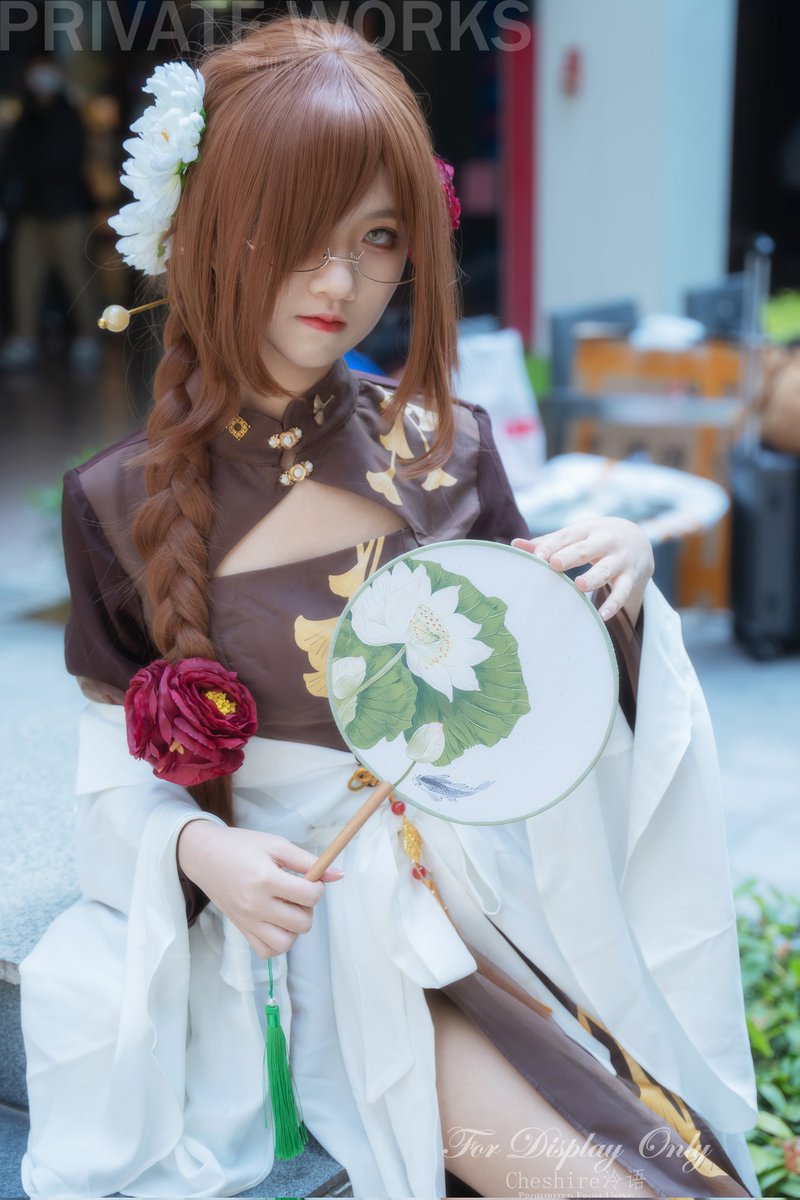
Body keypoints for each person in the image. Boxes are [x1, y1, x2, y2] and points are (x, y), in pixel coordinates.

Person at [18, 14, 759, 1200]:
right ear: (202, 225)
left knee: (676, 1168)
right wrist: (203, 848)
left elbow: (542, 700)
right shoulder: (115, 504)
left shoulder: (447, 448)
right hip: (319, 948)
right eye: (295, 234)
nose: (339, 282)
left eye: (374, 238)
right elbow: (113, 776)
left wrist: (614, 589)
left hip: (500, 903)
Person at [0, 55, 101, 371]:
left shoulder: (68, 114)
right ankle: (25, 338)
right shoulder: (26, 115)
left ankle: (89, 336)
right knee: (24, 276)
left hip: (66, 210)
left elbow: (63, 158)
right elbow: (13, 160)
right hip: (31, 211)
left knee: (77, 276)